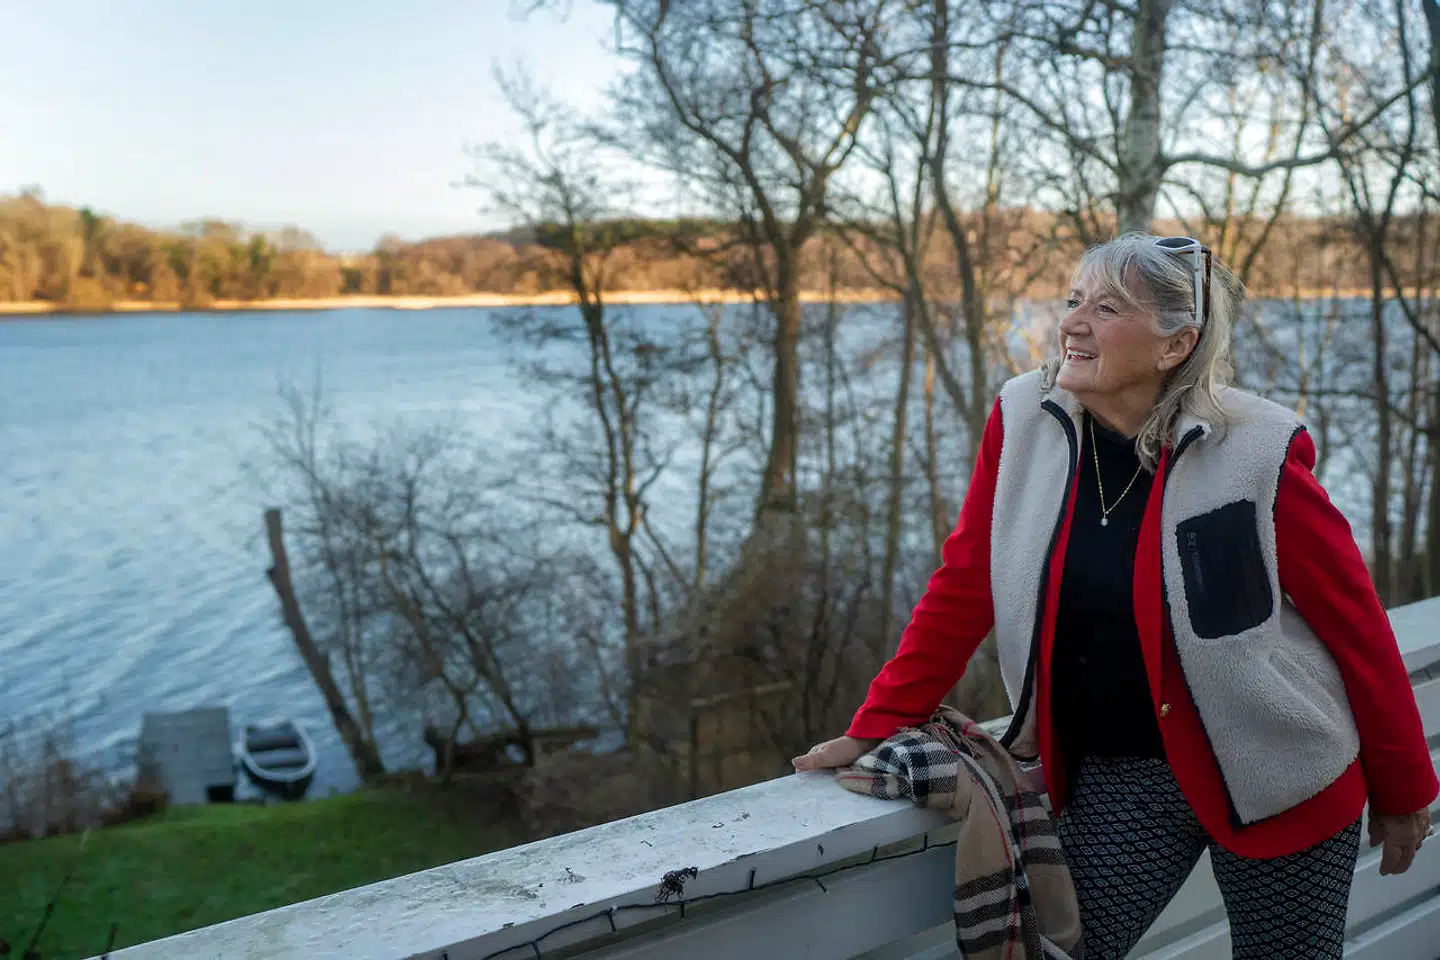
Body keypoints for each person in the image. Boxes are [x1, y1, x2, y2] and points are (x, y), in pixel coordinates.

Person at [792, 233, 1437, 959]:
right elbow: (966, 583)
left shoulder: (1255, 449)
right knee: (1060, 949)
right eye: (1073, 301)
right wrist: (879, 722)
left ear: (1175, 345)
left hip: (1279, 768)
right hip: (1126, 777)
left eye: (1106, 308)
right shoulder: (1023, 422)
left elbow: (1355, 626)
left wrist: (1403, 786)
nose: (1072, 322)